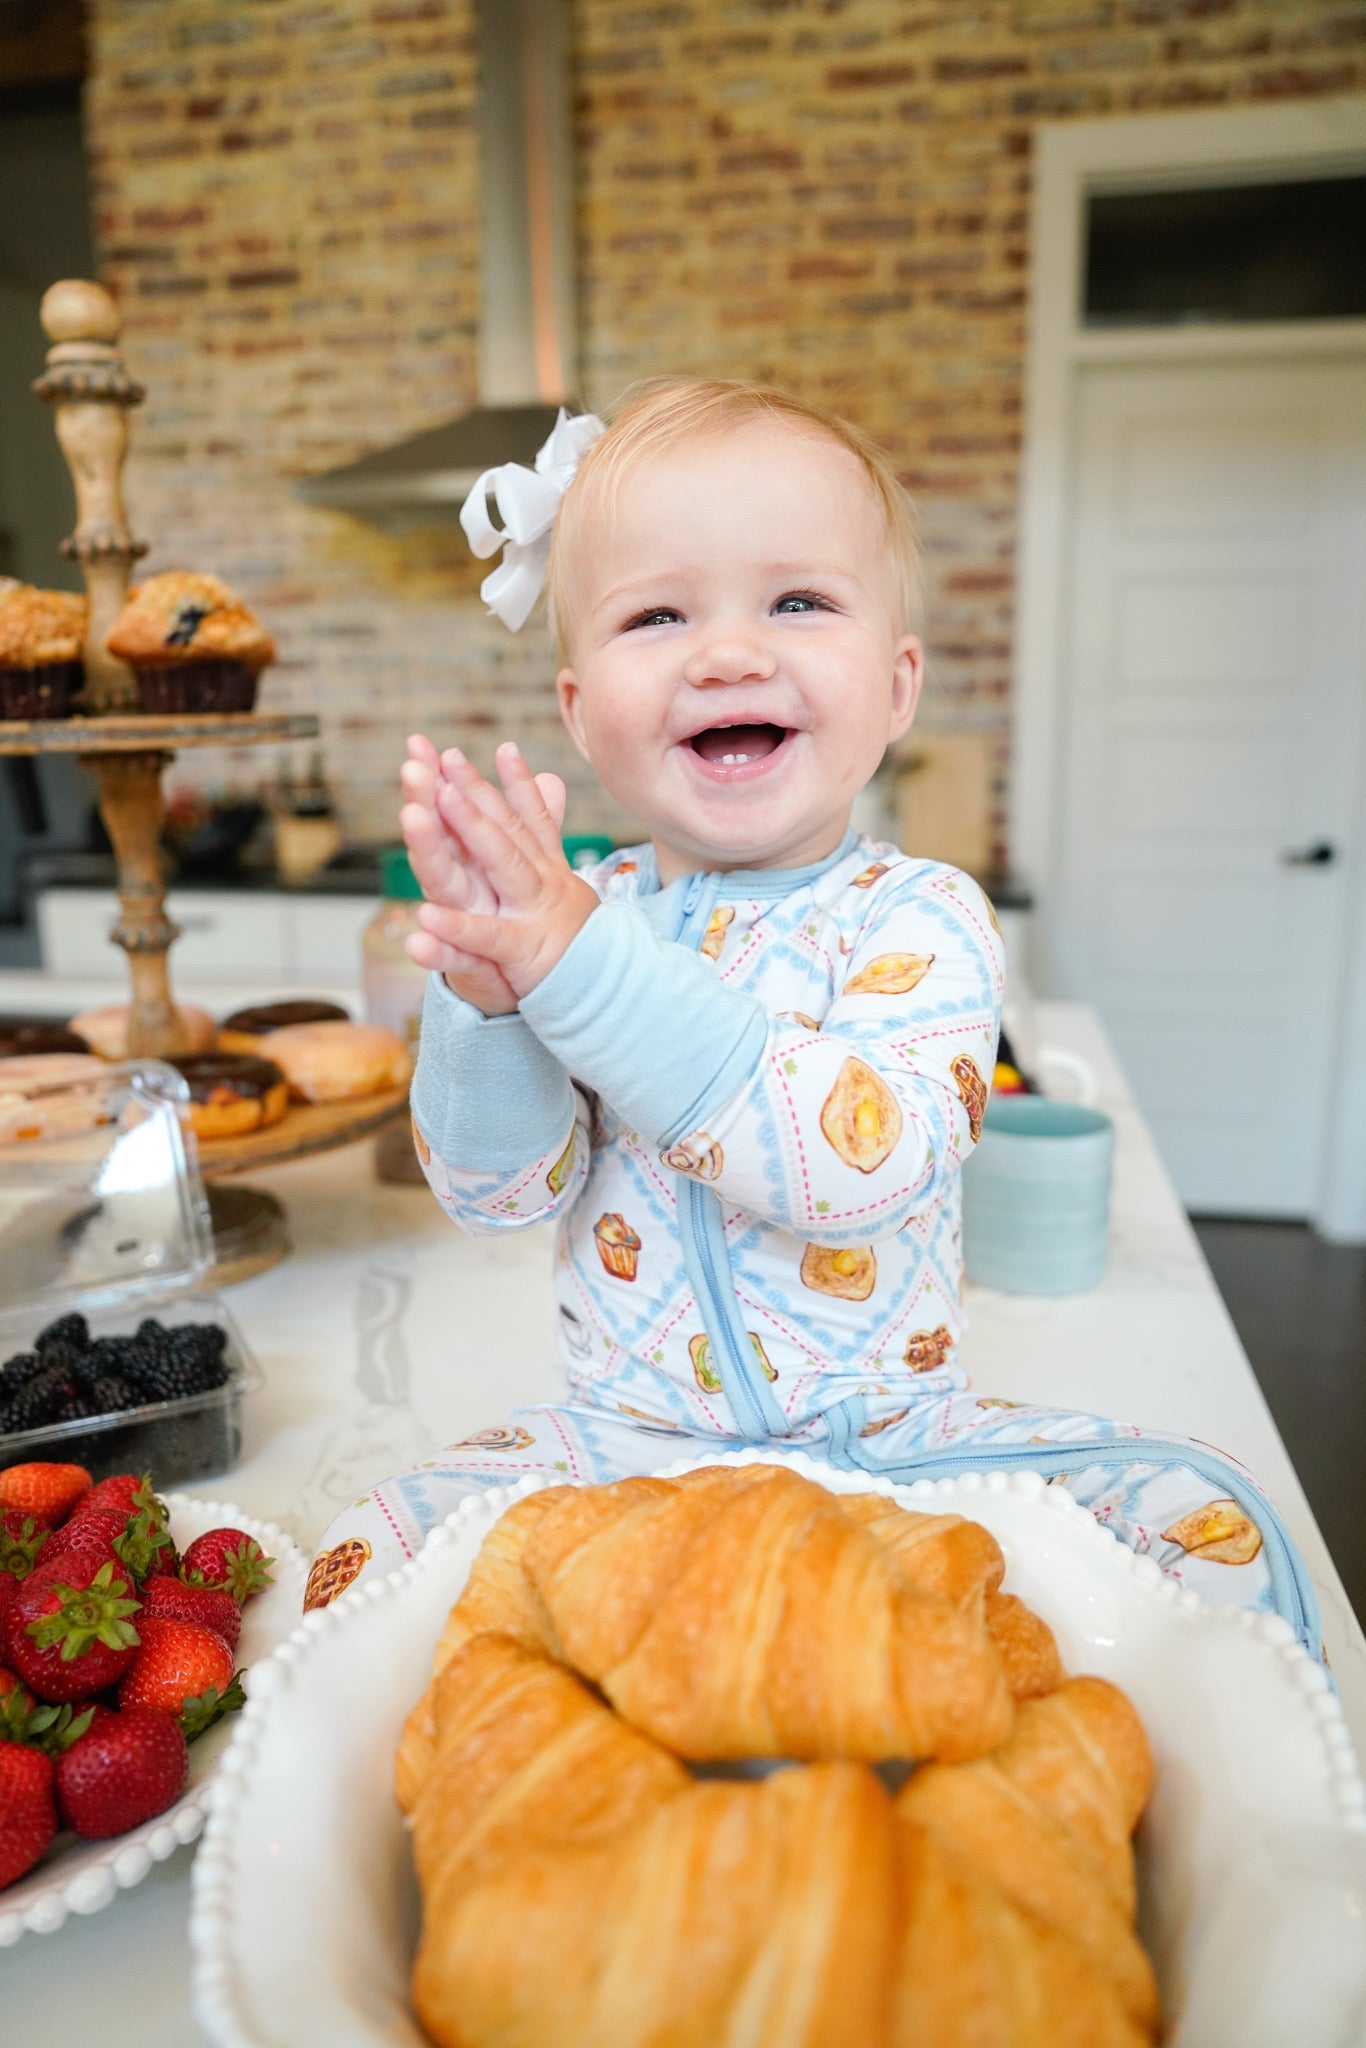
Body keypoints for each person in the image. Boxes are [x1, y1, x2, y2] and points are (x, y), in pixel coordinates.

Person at [306, 380, 1319, 1659]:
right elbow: (497, 1196)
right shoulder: (586, 918)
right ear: (577, 712)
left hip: (890, 1445)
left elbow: (855, 1163)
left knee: (1215, 1521)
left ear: (896, 687)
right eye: (657, 614)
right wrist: (487, 999)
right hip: (626, 1446)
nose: (727, 654)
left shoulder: (921, 917)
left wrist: (576, 966)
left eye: (796, 600)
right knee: (355, 1562)